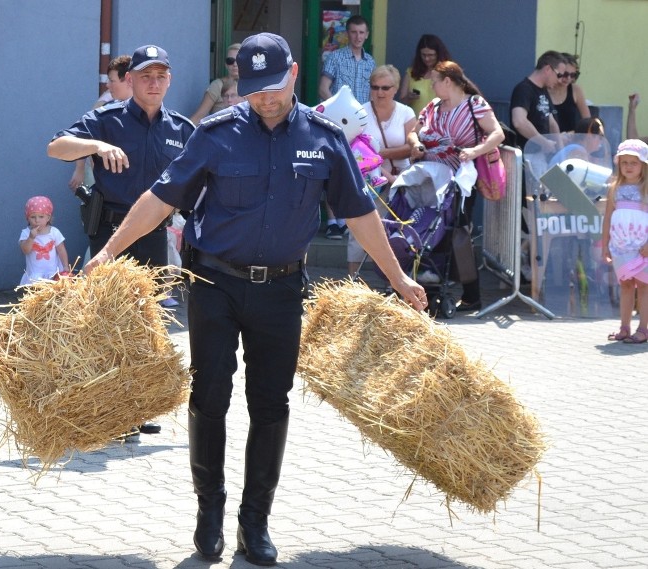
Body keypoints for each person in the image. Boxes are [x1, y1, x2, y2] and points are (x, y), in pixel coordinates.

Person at [83, 32, 426, 566]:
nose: (266, 98)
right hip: (215, 284)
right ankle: (209, 513)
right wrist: (108, 251)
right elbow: (160, 199)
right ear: (241, 83)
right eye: (255, 89)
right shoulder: (215, 134)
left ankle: (255, 521)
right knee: (210, 396)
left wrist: (399, 279)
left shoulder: (324, 137)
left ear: (293, 74)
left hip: (283, 289)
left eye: (274, 86)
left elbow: (360, 214)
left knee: (271, 404)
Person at [48, 44, 194, 437]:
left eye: (161, 76)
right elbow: (56, 146)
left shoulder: (181, 129)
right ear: (129, 81)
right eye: (145, 76)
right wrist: (96, 146)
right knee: (108, 322)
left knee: (146, 323)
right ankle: (109, 411)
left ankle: (136, 407)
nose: (153, 83)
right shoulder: (108, 119)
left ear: (169, 80)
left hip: (154, 236)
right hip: (110, 233)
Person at [408, 60, 505, 312]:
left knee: (459, 232)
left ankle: (471, 294)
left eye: (435, 82)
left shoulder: (475, 105)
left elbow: (497, 133)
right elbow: (413, 132)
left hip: (460, 180)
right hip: (430, 179)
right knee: (429, 227)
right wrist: (416, 145)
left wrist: (475, 150)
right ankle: (431, 284)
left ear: (448, 82)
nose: (432, 87)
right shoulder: (433, 107)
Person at [348, 64, 416, 278]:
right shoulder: (360, 112)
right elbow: (354, 149)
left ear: (395, 89)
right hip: (368, 179)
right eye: (374, 87)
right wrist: (382, 164)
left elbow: (411, 147)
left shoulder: (406, 113)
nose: (379, 92)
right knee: (359, 229)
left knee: (396, 231)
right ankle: (353, 281)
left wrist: (379, 153)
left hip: (400, 181)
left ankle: (396, 281)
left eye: (385, 88)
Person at [319, 15, 376, 239]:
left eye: (362, 32)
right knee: (334, 168)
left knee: (357, 170)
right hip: (337, 122)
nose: (358, 37)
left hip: (360, 125)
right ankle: (333, 221)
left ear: (367, 35)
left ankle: (349, 220)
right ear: (347, 33)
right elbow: (324, 88)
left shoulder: (371, 62)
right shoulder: (335, 57)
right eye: (354, 32)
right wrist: (337, 112)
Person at [602, 139, 648, 344]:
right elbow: (608, 218)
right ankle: (624, 327)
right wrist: (605, 245)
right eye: (624, 162)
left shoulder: (646, 188)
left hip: (642, 247)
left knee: (645, 286)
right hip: (620, 246)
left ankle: (644, 328)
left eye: (634, 162)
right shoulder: (614, 187)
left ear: (644, 165)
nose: (628, 167)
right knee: (626, 285)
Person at [68, 55, 133, 193]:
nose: (107, 85)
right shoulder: (104, 106)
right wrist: (79, 169)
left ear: (128, 80)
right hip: (103, 181)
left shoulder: (150, 111)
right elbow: (81, 136)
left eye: (111, 80)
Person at [510, 50, 567, 151]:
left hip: (542, 155)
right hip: (527, 154)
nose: (559, 80)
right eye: (559, 75)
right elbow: (519, 121)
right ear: (548, 69)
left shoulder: (543, 90)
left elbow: (551, 121)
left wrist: (561, 151)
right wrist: (544, 143)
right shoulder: (524, 89)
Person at [19, 196, 70, 285]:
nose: (37, 220)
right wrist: (31, 238)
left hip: (53, 274)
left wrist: (65, 266)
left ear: (48, 217)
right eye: (33, 217)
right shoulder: (26, 233)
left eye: (41, 216)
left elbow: (61, 250)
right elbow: (25, 251)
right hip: (35, 276)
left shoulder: (54, 232)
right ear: (27, 218)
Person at [398, 34, 452, 116]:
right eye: (423, 55)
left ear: (438, 54)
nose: (426, 58)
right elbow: (401, 102)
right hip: (415, 123)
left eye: (430, 55)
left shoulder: (448, 73)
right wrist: (409, 97)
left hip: (439, 123)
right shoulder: (411, 72)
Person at [190, 43, 241, 124]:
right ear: (226, 64)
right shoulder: (217, 85)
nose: (235, 64)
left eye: (239, 60)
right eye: (230, 61)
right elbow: (199, 116)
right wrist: (181, 133)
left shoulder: (253, 87)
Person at [550, 53, 590, 133]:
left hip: (570, 140)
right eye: (565, 74)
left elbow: (587, 121)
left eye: (573, 75)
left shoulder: (576, 90)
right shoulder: (545, 89)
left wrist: (573, 133)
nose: (569, 78)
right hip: (548, 140)